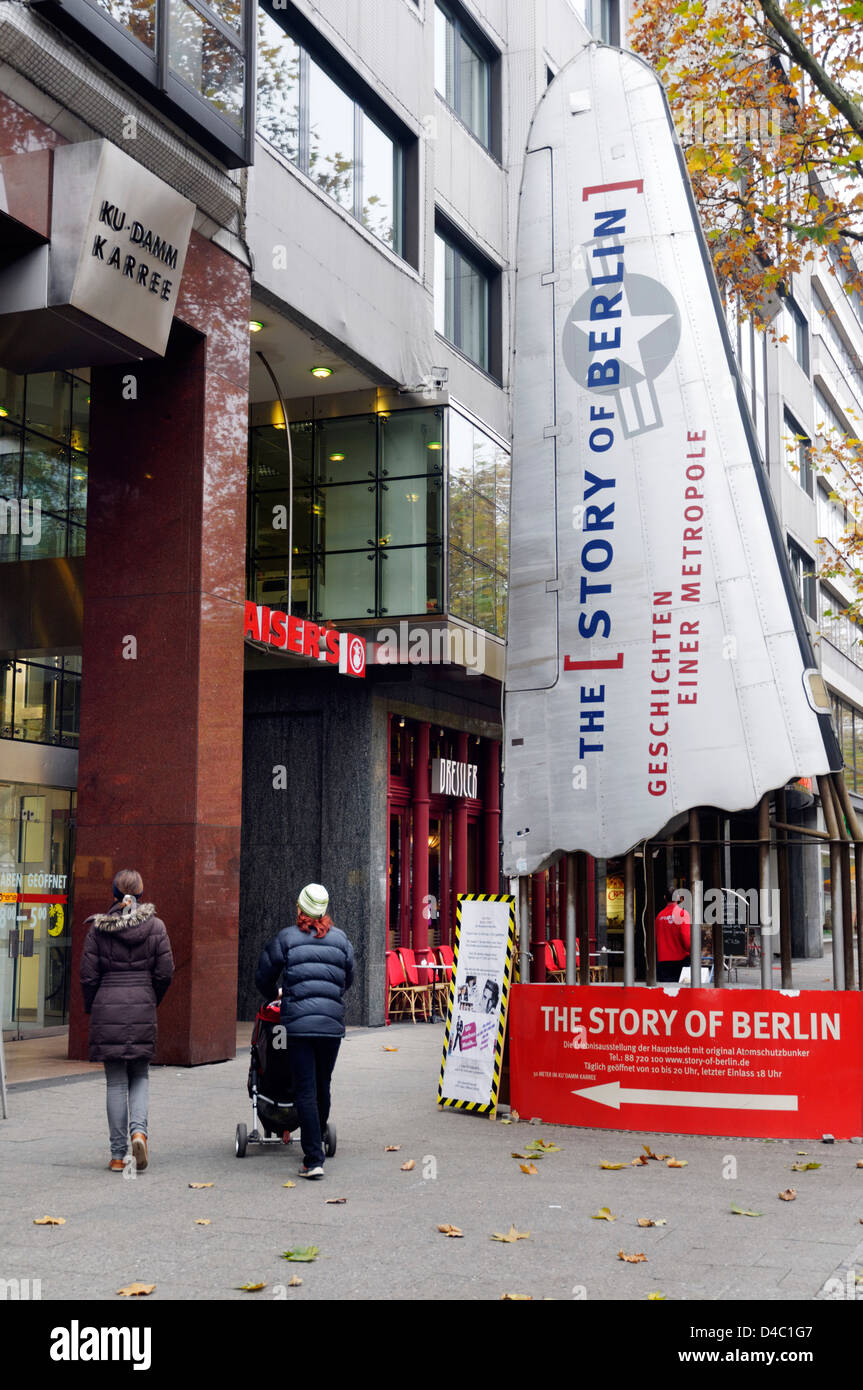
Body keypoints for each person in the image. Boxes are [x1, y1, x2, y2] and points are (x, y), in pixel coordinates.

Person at [255, 883, 354, 1180]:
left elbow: (263, 975)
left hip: (297, 1025)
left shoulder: (286, 938)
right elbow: (348, 979)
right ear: (324, 910)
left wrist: (277, 993)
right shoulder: (341, 940)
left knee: (305, 1089)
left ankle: (313, 1158)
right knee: (323, 1083)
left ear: (300, 909)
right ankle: (318, 1134)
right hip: (331, 1025)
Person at [80, 869, 174, 1172]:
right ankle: (139, 1133)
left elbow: (88, 975)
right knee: (141, 1076)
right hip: (143, 1005)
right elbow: (165, 972)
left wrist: (93, 1006)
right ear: (141, 894)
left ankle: (119, 1156)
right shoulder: (156, 926)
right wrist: (151, 997)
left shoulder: (97, 929)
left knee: (115, 1083)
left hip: (108, 1007)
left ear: (114, 894)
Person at [654, 886, 692, 982]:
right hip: (680, 960)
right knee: (681, 993)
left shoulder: (659, 916)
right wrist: (693, 952)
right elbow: (686, 938)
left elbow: (655, 937)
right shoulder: (683, 913)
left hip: (662, 960)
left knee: (664, 992)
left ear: (664, 898)